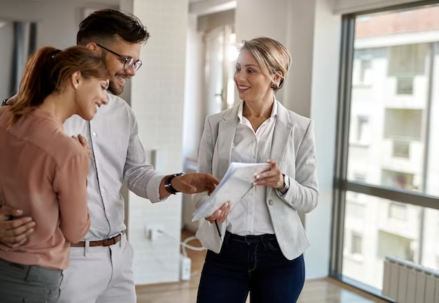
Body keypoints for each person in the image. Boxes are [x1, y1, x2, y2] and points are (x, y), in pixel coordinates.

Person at [0, 9, 219, 303]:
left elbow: (136, 173)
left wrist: (175, 182)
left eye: (136, 62)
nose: (131, 70)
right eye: (126, 60)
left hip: (119, 255)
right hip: (67, 261)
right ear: (92, 50)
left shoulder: (122, 113)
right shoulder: (27, 114)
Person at [193, 37, 319, 303]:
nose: (240, 77)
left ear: (275, 77)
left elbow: (311, 198)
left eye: (251, 70)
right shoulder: (216, 124)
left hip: (280, 257)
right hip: (226, 251)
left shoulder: (300, 127)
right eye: (238, 68)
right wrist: (208, 207)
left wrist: (283, 182)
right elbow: (201, 184)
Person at [0, 45, 110, 302]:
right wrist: (82, 170)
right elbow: (75, 231)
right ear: (76, 78)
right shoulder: (68, 152)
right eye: (103, 86)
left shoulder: (4, 118)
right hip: (33, 279)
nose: (105, 98)